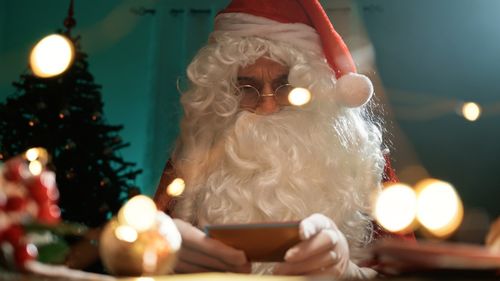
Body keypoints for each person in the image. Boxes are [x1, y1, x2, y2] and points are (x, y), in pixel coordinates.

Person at [154, 0, 411, 277]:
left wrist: (349, 273)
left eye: (285, 87)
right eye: (247, 88)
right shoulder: (192, 162)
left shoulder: (361, 164)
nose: (268, 107)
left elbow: (409, 270)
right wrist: (162, 251)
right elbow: (132, 244)